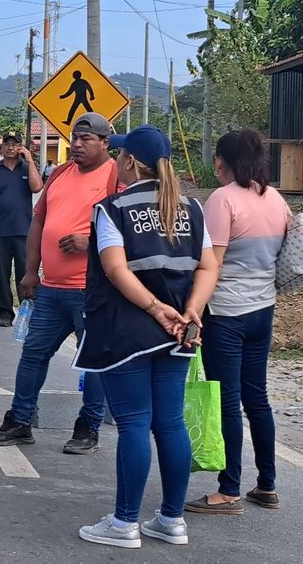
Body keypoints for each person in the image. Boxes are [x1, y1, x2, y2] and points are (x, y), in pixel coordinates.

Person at [72, 125, 218, 548]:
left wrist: (155, 308)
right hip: (180, 330)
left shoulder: (112, 208)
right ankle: (172, 520)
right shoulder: (192, 207)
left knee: (134, 423)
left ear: (131, 162)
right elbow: (208, 267)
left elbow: (116, 270)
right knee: (169, 422)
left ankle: (123, 524)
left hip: (128, 329)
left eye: (120, 156)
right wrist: (191, 310)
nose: (116, 162)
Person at [0, 112, 118, 455]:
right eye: (74, 138)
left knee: (94, 361)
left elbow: (126, 229)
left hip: (91, 290)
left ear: (105, 143)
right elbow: (38, 222)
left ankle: (88, 426)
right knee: (33, 354)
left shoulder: (115, 176)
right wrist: (32, 271)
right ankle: (20, 420)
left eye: (86, 139)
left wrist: (92, 243)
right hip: (52, 288)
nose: (76, 144)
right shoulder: (59, 173)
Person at [185, 130, 292, 516]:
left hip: (227, 313)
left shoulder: (222, 199)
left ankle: (228, 489)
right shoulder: (276, 199)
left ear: (221, 161)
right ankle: (266, 485)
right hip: (263, 310)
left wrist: (192, 310)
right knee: (257, 398)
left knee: (228, 402)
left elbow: (211, 263)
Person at [0, 132, 44, 326]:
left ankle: (26, 312)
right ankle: (5, 313)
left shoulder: (26, 168)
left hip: (24, 231)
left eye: (15, 144)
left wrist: (30, 160)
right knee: (1, 274)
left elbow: (37, 187)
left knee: (25, 274)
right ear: (1, 148)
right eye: (7, 144)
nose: (10, 147)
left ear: (20, 147)